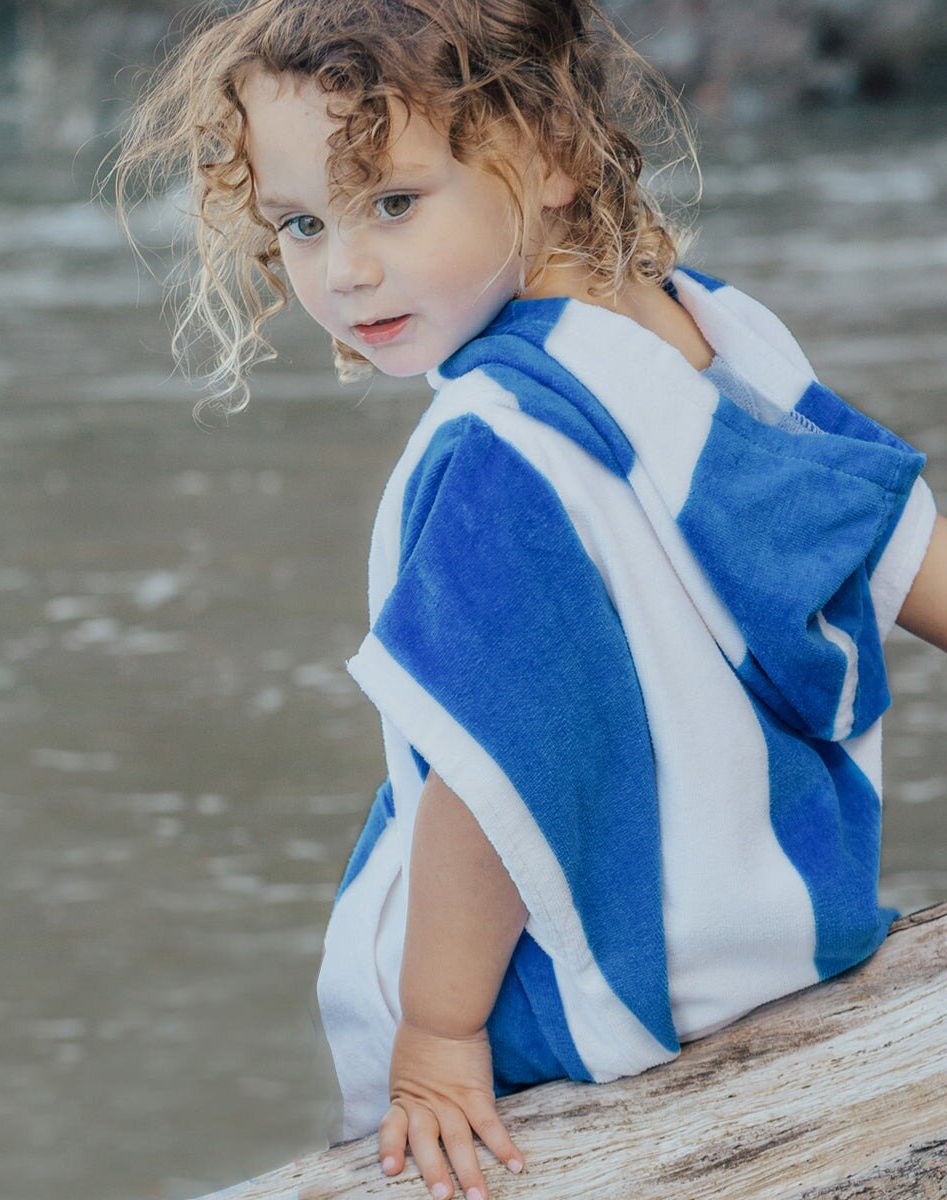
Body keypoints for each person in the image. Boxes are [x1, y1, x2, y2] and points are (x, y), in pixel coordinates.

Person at [109, 2, 947, 1197]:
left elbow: (492, 768)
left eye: (393, 203)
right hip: (794, 922)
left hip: (589, 994)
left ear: (550, 154)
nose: (345, 271)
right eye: (301, 224)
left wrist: (438, 1034)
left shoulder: (496, 444)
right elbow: (902, 545)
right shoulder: (714, 327)